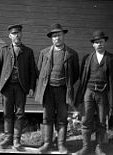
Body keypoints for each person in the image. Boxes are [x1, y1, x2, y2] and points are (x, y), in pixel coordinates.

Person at [73, 30, 113, 155]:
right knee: (86, 120)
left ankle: (99, 147)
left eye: (101, 41)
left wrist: (105, 87)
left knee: (101, 121)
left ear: (105, 43)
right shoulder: (87, 58)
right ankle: (86, 147)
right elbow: (82, 77)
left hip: (103, 93)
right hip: (88, 92)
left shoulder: (112, 59)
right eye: (96, 42)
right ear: (93, 45)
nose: (99, 44)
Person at [35, 23, 79, 154]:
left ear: (63, 36)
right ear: (51, 38)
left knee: (62, 117)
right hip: (48, 90)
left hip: (63, 91)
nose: (57, 38)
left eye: (59, 35)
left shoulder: (71, 54)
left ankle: (61, 145)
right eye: (54, 36)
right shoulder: (44, 53)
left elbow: (75, 74)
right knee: (47, 117)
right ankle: (47, 143)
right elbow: (39, 70)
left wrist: (65, 84)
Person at [0, 24, 37, 150]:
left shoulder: (28, 51)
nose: (16, 35)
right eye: (14, 33)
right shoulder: (3, 50)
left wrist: (31, 87)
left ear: (21, 34)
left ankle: (16, 140)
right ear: (9, 36)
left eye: (18, 33)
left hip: (21, 87)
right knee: (7, 113)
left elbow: (32, 72)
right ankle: (8, 138)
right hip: (6, 87)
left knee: (19, 113)